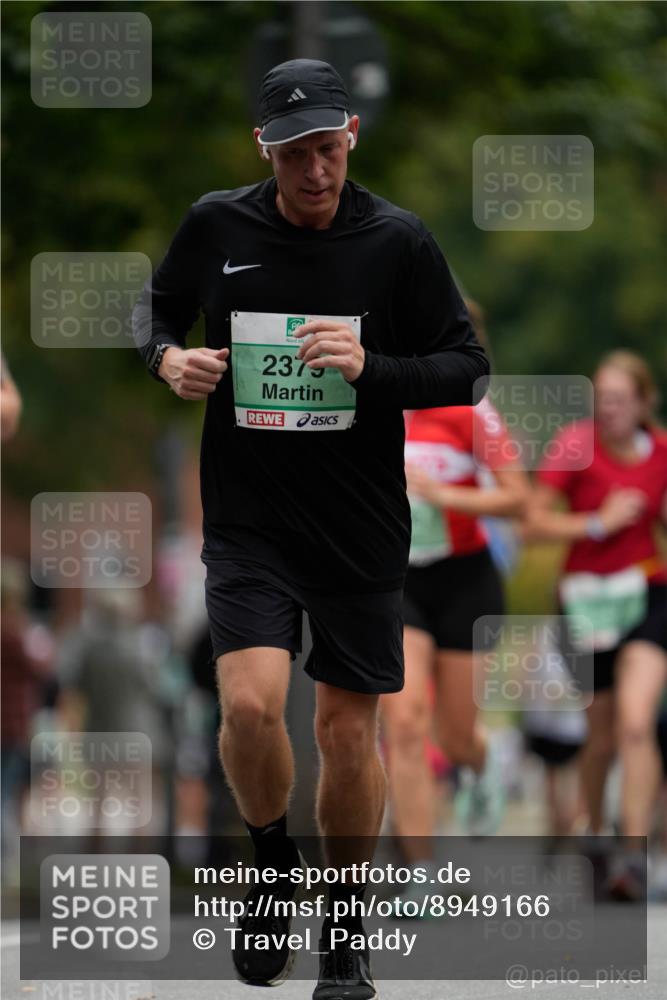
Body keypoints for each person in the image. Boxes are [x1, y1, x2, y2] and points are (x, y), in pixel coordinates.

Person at [133, 58, 488, 998]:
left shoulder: (398, 243)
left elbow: (465, 366)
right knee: (248, 705)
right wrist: (168, 359)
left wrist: (374, 368)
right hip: (248, 520)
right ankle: (269, 865)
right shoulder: (218, 223)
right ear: (266, 149)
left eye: (328, 150)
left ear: (351, 139)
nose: (316, 172)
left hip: (359, 526)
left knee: (342, 732)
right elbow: (158, 308)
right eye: (296, 155)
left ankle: (343, 925)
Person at [380, 304, 528, 914]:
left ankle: (483, 759)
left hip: (465, 580)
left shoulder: (470, 409)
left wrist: (443, 492)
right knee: (406, 723)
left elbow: (520, 499)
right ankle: (422, 871)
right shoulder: (376, 402)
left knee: (455, 734)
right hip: (400, 581)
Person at [527, 351, 667, 896]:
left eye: (619, 399)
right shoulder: (573, 446)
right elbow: (531, 524)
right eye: (600, 399)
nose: (607, 409)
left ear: (642, 402)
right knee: (600, 735)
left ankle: (633, 851)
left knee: (635, 721)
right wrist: (595, 521)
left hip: (646, 597)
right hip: (584, 604)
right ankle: (596, 834)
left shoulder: (660, 453)